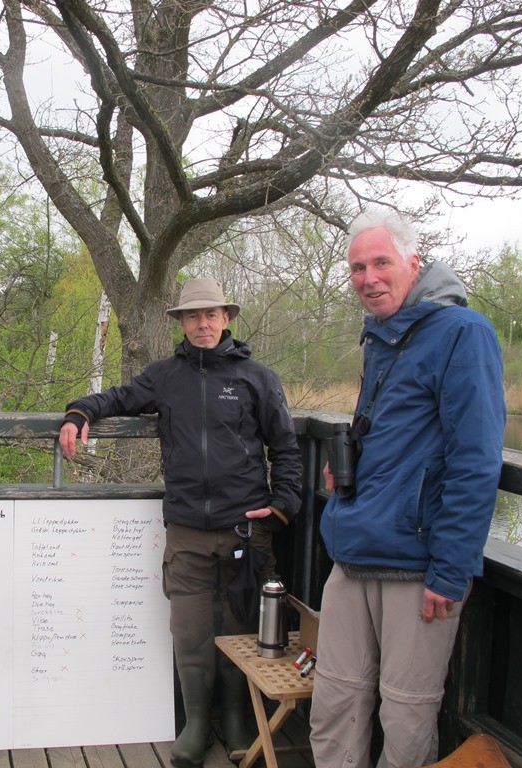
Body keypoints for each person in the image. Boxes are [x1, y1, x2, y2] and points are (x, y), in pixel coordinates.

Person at [58, 278, 302, 768]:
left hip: (245, 531)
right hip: (187, 532)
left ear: (226, 318)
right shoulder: (164, 376)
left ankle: (236, 719)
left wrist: (281, 507)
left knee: (242, 632)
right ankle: (196, 723)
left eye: (211, 314)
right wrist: (79, 412)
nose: (202, 324)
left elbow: (286, 450)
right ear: (182, 323)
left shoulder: (258, 377)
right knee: (189, 634)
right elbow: (119, 397)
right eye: (193, 316)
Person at [309, 208, 506, 768]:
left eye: (381, 263)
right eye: (357, 268)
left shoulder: (463, 333)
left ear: (414, 263)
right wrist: (351, 461)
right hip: (354, 550)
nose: (368, 278)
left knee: (406, 715)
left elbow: (475, 460)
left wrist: (451, 569)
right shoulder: (382, 335)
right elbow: (400, 430)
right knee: (334, 702)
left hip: (418, 566)